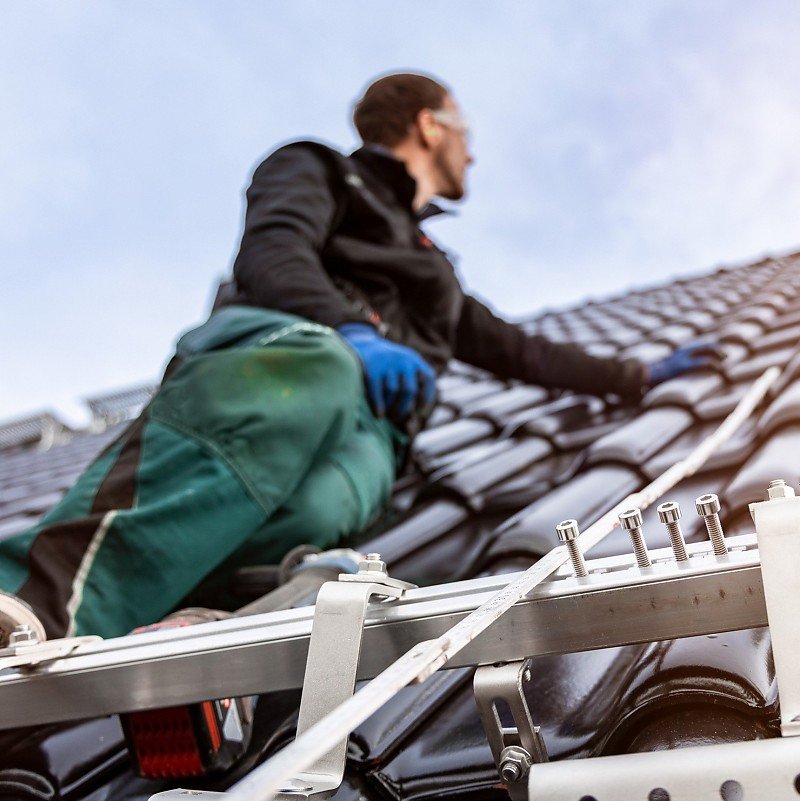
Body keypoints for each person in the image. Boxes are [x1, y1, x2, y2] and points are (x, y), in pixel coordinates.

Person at [0, 72, 719, 643]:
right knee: (312, 376)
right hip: (281, 353)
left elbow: (514, 348)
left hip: (372, 429)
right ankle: (29, 601)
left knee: (321, 506)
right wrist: (353, 332)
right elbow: (273, 250)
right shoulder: (319, 168)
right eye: (465, 128)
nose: (473, 150)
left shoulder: (432, 263)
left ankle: (193, 614)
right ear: (431, 124)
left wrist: (636, 375)